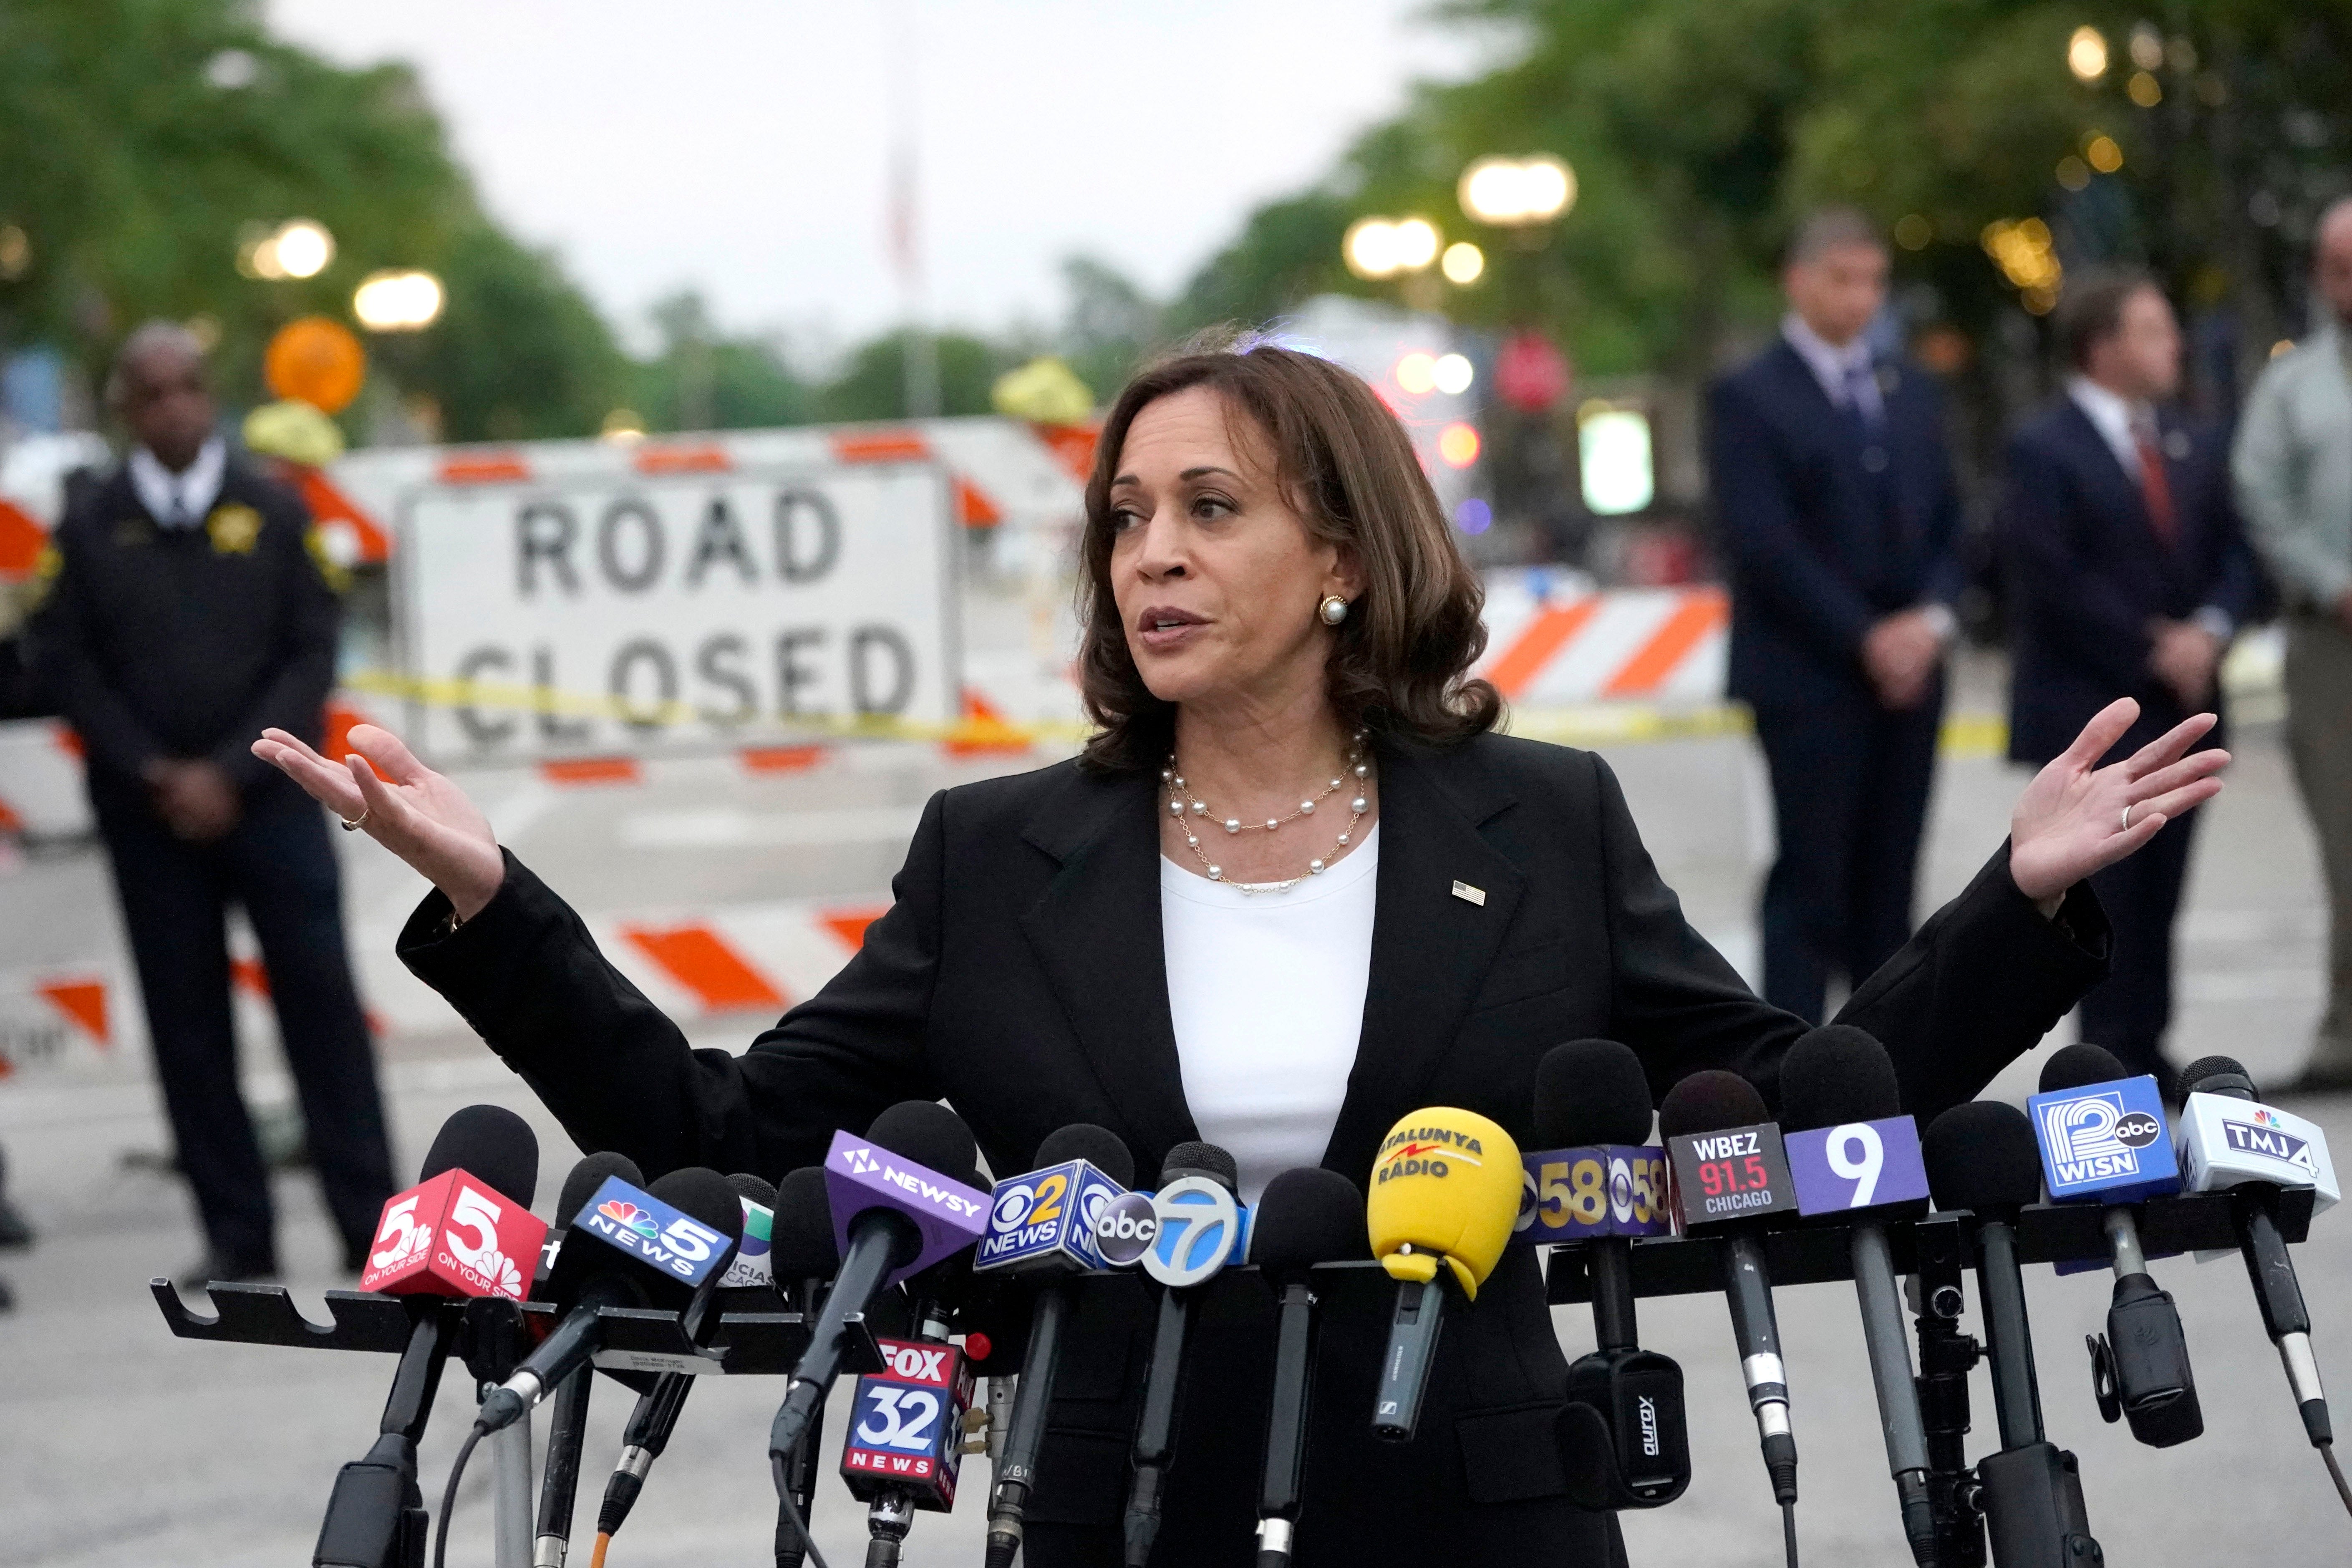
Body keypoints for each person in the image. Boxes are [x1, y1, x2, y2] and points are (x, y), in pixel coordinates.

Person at [256, 339, 2224, 1567]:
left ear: (1343, 552)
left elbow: (1794, 1113)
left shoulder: (1534, 819)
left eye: (1210, 508)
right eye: (1127, 518)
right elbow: (729, 1128)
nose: (1152, 555)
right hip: (1113, 1495)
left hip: (1488, 1502)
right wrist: (496, 902)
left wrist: (2017, 898)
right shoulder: (998, 848)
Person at [27, 322, 395, 1285]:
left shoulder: (272, 512)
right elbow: (68, 662)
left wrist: (231, 769)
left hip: (272, 800)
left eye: (188, 386)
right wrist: (155, 769)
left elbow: (311, 650)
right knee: (186, 1023)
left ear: (212, 395)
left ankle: (370, 1224)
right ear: (124, 413)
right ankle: (239, 1235)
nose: (174, 407)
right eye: (151, 393)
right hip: (148, 814)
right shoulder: (89, 524)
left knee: (321, 1006)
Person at [1707, 207, 1966, 1024]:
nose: (1858, 299)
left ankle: (1885, 1073)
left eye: (1871, 282)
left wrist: (1928, 622)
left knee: (1889, 887)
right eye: (1840, 279)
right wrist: (1865, 637)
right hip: (1806, 677)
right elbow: (1764, 541)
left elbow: (1952, 522)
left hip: (1912, 677)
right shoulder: (1748, 396)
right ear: (1798, 279)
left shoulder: (1908, 390)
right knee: (1810, 884)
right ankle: (1791, 1070)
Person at [2001, 271, 2255, 1085]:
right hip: (2093, 711)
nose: (2171, 344)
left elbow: (2234, 551)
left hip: (2182, 709)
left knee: (2163, 893)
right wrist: (2152, 644)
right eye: (2151, 330)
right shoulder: (2041, 448)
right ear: (2101, 346)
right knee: (2102, 899)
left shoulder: (2191, 438)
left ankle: (2149, 1043)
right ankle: (2104, 1060)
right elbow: (2049, 576)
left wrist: (2208, 630)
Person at [2235, 197, 2352, 1093]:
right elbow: (2260, 496)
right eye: (2338, 265)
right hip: (2331, 646)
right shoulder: (2290, 387)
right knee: (2344, 842)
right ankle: (2342, 1028)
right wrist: (2328, 581)